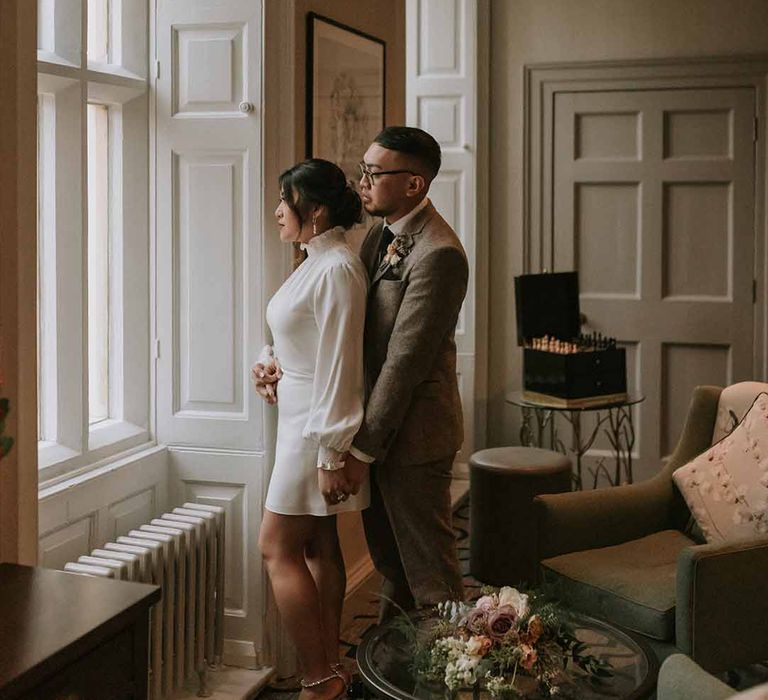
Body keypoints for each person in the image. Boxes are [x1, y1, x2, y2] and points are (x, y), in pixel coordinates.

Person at [258, 127, 469, 621]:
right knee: (390, 564)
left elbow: (403, 364)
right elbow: (343, 335)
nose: (363, 182)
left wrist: (356, 452)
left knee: (430, 575)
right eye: (363, 170)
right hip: (371, 426)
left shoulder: (439, 253)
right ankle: (395, 673)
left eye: (375, 173)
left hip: (414, 437)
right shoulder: (380, 235)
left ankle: (453, 678)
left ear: (414, 184)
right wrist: (282, 364)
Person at [253, 159, 369, 700]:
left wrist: (331, 456)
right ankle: (332, 669)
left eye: (286, 200)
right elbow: (301, 337)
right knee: (320, 544)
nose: (278, 210)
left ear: (315, 211)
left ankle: (318, 678)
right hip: (298, 417)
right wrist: (268, 362)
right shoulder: (313, 262)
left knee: (276, 548)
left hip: (313, 431)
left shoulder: (338, 268)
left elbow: (343, 367)